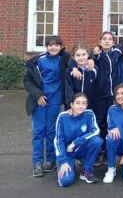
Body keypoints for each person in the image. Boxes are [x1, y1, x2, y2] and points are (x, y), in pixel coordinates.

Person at [24, 35, 71, 177]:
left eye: (56, 45)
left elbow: (81, 59)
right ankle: (37, 163)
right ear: (46, 46)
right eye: (50, 45)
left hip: (55, 100)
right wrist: (37, 94)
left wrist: (75, 69)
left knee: (51, 132)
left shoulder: (65, 59)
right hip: (40, 100)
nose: (53, 47)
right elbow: (27, 81)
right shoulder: (38, 61)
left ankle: (50, 160)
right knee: (39, 132)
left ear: (61, 46)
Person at [54, 93, 102, 187]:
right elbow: (58, 140)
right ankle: (67, 164)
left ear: (87, 105)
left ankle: (86, 171)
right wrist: (63, 161)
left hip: (80, 148)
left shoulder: (89, 114)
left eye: (84, 103)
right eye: (78, 103)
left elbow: (96, 131)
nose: (81, 106)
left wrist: (76, 142)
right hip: (67, 152)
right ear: (71, 104)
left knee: (97, 141)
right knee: (66, 181)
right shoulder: (62, 117)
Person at [91, 31, 123, 165]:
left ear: (113, 42)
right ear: (100, 42)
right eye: (104, 39)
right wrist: (93, 54)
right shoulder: (96, 56)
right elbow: (78, 60)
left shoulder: (117, 53)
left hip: (113, 97)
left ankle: (108, 152)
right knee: (99, 122)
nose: (107, 41)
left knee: (110, 123)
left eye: (110, 39)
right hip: (99, 96)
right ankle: (98, 152)